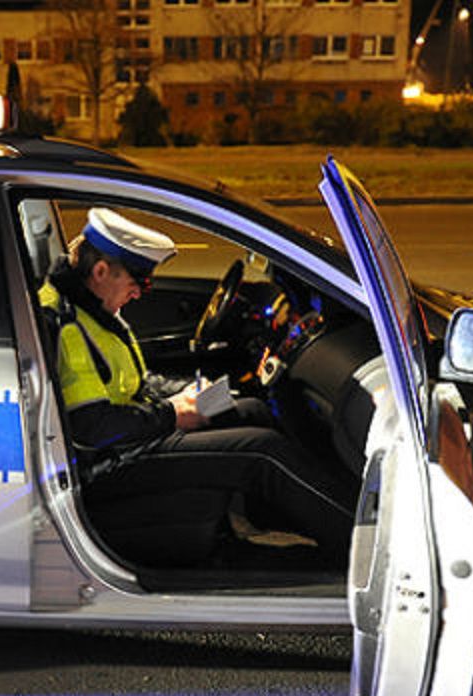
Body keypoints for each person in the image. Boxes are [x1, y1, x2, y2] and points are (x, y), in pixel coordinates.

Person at [39, 207, 356, 566]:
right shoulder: (68, 326)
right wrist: (172, 414)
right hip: (110, 463)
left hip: (132, 436)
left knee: (250, 407)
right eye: (138, 282)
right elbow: (92, 429)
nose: (141, 293)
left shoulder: (92, 309)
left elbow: (134, 382)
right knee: (263, 452)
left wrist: (193, 392)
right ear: (100, 272)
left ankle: (291, 517)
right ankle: (359, 541)